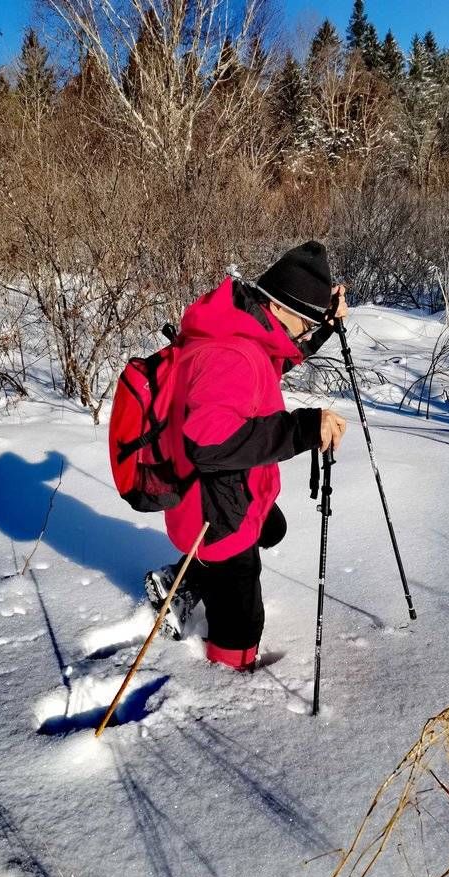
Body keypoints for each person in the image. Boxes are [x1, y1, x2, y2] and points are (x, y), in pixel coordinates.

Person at [145, 241, 348, 670]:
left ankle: (178, 582)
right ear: (278, 309)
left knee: (271, 528)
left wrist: (326, 325)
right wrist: (304, 429)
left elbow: (272, 365)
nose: (306, 335)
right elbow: (211, 443)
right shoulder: (230, 354)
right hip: (218, 512)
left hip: (229, 494)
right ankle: (226, 687)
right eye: (305, 323)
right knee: (242, 623)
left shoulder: (242, 330)